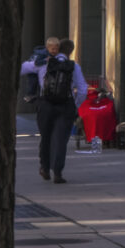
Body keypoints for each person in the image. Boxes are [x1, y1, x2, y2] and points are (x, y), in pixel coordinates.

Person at [21, 37, 86, 184]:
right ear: (70, 52)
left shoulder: (43, 63)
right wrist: (75, 105)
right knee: (61, 139)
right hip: (66, 105)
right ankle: (58, 172)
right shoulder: (73, 66)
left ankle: (44, 167)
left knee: (46, 137)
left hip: (45, 104)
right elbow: (82, 90)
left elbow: (23, 68)